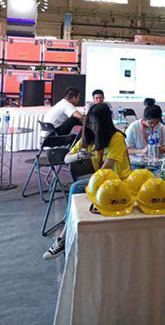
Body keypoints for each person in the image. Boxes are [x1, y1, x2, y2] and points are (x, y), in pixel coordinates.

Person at [43, 103, 132, 260]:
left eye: (95, 124)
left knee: (77, 187)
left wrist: (91, 184)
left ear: (104, 123)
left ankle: (63, 238)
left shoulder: (116, 138)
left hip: (120, 182)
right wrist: (79, 156)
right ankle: (64, 237)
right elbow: (66, 158)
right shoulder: (89, 139)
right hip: (101, 182)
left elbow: (106, 169)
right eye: (90, 123)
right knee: (78, 188)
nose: (92, 127)